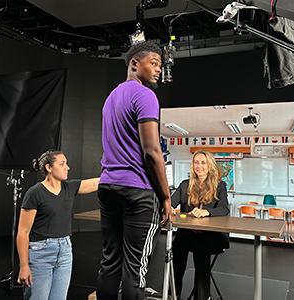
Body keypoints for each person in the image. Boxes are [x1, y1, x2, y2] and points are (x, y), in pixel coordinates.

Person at [96, 40, 173, 300]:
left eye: (160, 65)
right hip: (137, 190)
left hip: (107, 186)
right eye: (154, 63)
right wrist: (166, 197)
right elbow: (151, 151)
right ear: (134, 63)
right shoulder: (145, 95)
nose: (158, 69)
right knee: (134, 270)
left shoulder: (110, 98)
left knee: (110, 263)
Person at [16, 149, 100, 300]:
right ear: (49, 168)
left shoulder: (69, 187)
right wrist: (24, 266)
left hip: (65, 252)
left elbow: (96, 183)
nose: (67, 167)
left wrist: (121, 172)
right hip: (40, 253)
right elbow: (23, 232)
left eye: (66, 164)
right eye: (62, 164)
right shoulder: (35, 193)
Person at [171, 149, 230, 300]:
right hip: (185, 234)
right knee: (176, 263)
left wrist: (207, 212)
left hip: (207, 236)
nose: (199, 166)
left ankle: (203, 297)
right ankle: (173, 295)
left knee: (202, 266)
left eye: (203, 162)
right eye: (196, 162)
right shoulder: (185, 185)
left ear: (209, 165)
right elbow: (171, 202)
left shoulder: (220, 185)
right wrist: (169, 207)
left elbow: (224, 209)